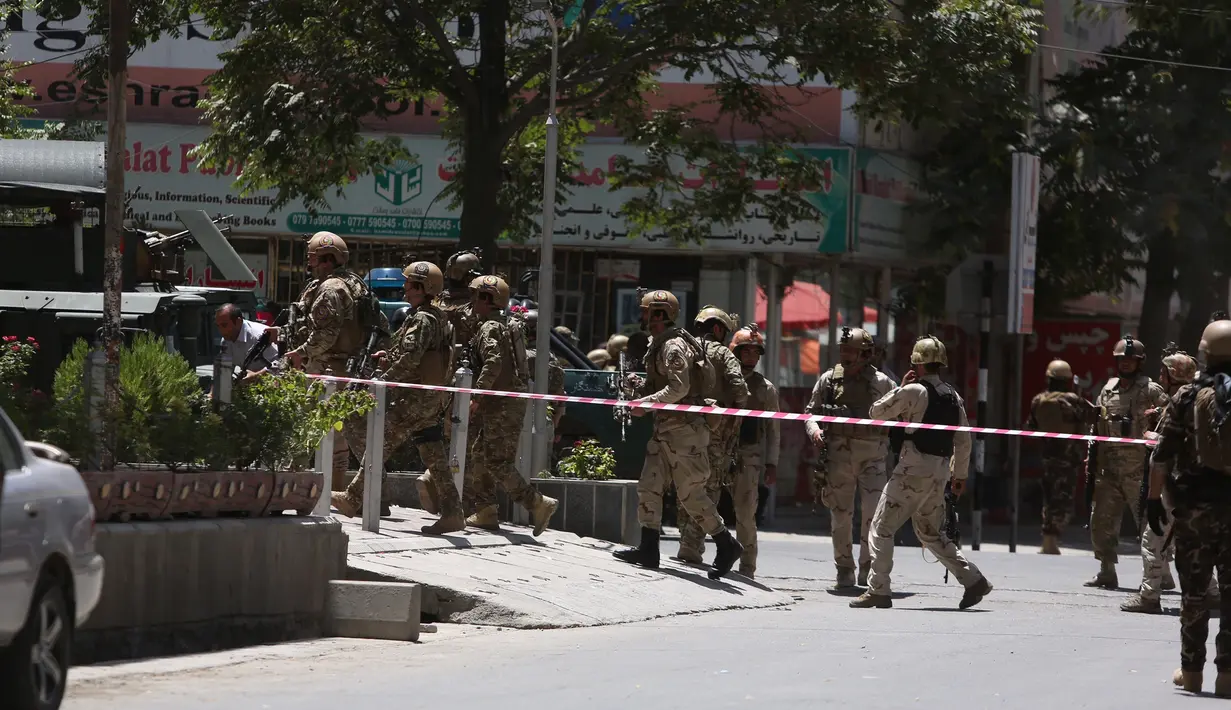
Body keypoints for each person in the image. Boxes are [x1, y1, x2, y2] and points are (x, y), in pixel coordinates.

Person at [850, 335, 993, 610]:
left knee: (880, 528)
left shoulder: (913, 391)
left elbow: (876, 413)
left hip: (912, 471)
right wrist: (959, 476)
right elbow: (964, 440)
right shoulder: (953, 395)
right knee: (930, 533)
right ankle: (974, 580)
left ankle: (878, 589)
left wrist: (900, 388)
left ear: (916, 362)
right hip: (938, 474)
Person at [613, 289, 743, 580]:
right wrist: (639, 387)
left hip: (685, 431)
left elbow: (679, 388)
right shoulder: (658, 344)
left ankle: (726, 543)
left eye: (647, 311)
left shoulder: (673, 346)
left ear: (659, 314)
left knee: (691, 494)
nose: (642, 316)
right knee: (649, 486)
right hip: (665, 430)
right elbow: (663, 384)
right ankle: (648, 548)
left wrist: (645, 405)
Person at [331, 262, 466, 534]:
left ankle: (353, 497)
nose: (404, 288)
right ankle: (453, 512)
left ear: (423, 288)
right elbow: (420, 354)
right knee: (435, 457)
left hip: (413, 399)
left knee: (379, 442)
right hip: (427, 399)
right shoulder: (436, 316)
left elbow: (411, 358)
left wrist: (383, 382)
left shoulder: (423, 318)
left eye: (410, 284)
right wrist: (388, 357)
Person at [1145, 320, 1231, 696]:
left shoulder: (1184, 397)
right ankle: (1228, 675)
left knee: (1194, 594)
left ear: (1204, 352)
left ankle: (1192, 671)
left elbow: (1161, 457)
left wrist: (1153, 501)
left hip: (1194, 509)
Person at [1122, 349, 1220, 613]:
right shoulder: (1206, 398)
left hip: (1175, 485)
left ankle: (1149, 596)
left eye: (1164, 371)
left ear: (1172, 374)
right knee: (1182, 539)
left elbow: (1167, 447)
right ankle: (1212, 594)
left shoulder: (1181, 400)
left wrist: (1151, 436)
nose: (1160, 376)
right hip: (1201, 485)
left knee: (1152, 539)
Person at [462, 275, 559, 535]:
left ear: (487, 299)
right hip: (503, 401)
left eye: (475, 296)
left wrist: (477, 397)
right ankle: (486, 511)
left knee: (497, 460)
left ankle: (537, 503)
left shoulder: (490, 327)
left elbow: (493, 362)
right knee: (479, 453)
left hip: (502, 403)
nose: (472, 302)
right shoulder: (500, 324)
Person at [284, 232, 377, 492]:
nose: (309, 263)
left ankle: (291, 486)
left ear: (326, 259)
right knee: (339, 433)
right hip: (344, 367)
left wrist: (300, 352)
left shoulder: (330, 288)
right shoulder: (355, 285)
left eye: (312, 258)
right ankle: (340, 490)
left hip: (325, 366)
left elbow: (325, 334)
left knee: (304, 425)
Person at [804, 326, 896, 588]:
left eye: (851, 350)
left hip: (873, 458)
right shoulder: (829, 380)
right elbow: (810, 412)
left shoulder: (883, 383)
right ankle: (844, 568)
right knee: (840, 514)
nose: (845, 354)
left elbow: (901, 412)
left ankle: (868, 567)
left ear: (865, 354)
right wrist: (815, 431)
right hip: (838, 457)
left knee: (872, 514)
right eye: (843, 349)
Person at [1085, 335, 1169, 590]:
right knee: (1101, 521)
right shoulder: (1107, 389)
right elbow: (1097, 423)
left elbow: (1171, 417)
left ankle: (1160, 573)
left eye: (1131, 361)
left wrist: (1155, 421)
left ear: (1139, 362)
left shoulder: (1151, 389)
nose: (1126, 364)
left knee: (1150, 524)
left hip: (1140, 470)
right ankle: (1106, 570)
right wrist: (1091, 454)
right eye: (1122, 360)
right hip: (1109, 468)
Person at [675, 306, 748, 565]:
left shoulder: (681, 349)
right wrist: (733, 411)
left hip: (681, 430)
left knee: (686, 485)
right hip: (714, 433)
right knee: (710, 487)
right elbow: (740, 387)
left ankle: (685, 539)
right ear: (717, 329)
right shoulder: (722, 354)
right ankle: (692, 545)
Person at [424, 249, 484, 513]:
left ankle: (443, 494)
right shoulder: (476, 307)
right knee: (466, 443)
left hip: (439, 379)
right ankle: (460, 502)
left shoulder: (436, 304)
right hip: (468, 380)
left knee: (444, 439)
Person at [1026, 359, 1096, 555]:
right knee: (1063, 499)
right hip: (1068, 459)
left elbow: (1030, 427)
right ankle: (1051, 540)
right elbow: (1092, 417)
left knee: (1049, 498)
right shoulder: (1072, 399)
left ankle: (1048, 538)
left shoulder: (1038, 400)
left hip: (1047, 458)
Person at [729, 323, 779, 578]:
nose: (751, 356)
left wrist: (771, 464)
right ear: (735, 352)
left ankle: (747, 566)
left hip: (749, 456)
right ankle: (691, 553)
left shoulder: (765, 388)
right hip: (717, 453)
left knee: (746, 512)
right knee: (702, 505)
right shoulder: (720, 379)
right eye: (746, 351)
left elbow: (773, 429)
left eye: (755, 352)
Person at [215, 303, 279, 382]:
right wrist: (211, 393)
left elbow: (282, 364)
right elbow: (224, 371)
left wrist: (257, 375)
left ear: (238, 322)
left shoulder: (260, 336)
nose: (221, 331)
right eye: (218, 326)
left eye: (224, 325)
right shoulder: (226, 340)